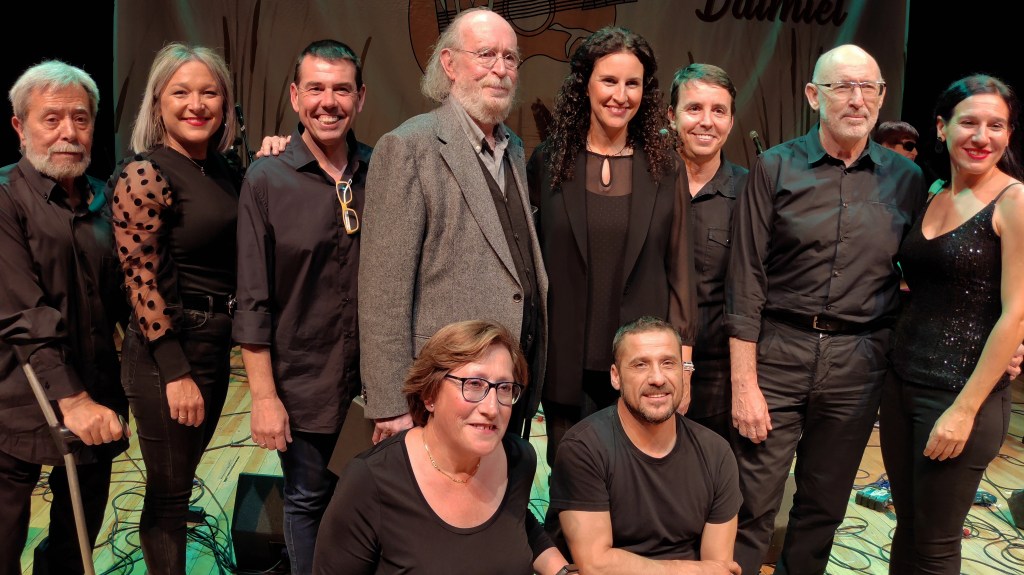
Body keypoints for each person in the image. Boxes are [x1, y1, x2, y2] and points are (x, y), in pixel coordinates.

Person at [725, 44, 929, 575]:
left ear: (882, 96)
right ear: (815, 96)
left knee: (824, 504)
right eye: (843, 87)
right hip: (778, 353)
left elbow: (930, 274)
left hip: (859, 360)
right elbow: (745, 279)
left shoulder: (907, 180)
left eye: (868, 88)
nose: (857, 99)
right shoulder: (774, 167)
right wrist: (745, 384)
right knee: (751, 501)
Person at [359, 7, 547, 444]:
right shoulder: (409, 147)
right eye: (485, 54)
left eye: (510, 58)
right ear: (449, 63)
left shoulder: (513, 148)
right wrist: (390, 404)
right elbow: (382, 292)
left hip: (504, 386)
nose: (500, 69)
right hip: (441, 391)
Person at [527, 26, 696, 465]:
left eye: (632, 83)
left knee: (633, 479)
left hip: (640, 367)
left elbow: (680, 270)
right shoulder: (548, 161)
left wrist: (683, 365)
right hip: (565, 363)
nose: (621, 96)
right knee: (571, 476)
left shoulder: (665, 168)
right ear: (585, 84)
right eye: (609, 81)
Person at [233, 39, 371, 575]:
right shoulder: (266, 179)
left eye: (341, 90)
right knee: (307, 499)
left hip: (375, 383)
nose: (328, 102)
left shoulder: (381, 170)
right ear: (295, 96)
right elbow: (252, 299)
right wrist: (264, 397)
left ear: (360, 98)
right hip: (303, 381)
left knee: (369, 501)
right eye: (315, 88)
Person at [880, 74, 1024, 575]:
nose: (982, 136)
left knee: (936, 546)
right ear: (942, 128)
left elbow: (1016, 313)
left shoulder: (1014, 201)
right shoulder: (935, 190)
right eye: (969, 123)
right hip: (902, 383)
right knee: (908, 529)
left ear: (1009, 134)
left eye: (996, 125)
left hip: (960, 394)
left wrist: (964, 410)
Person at [108, 42, 240, 574]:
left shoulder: (224, 170)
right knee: (168, 498)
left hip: (214, 344)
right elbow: (140, 282)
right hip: (168, 354)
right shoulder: (144, 173)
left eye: (210, 93)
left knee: (179, 490)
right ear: (158, 102)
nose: (196, 104)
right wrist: (175, 372)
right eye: (181, 92)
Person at [0, 60, 129, 575]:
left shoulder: (105, 198)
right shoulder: (5, 198)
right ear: (20, 126)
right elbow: (23, 312)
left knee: (75, 545)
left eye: (80, 118)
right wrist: (72, 401)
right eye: (51, 119)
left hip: (97, 392)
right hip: (20, 397)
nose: (69, 133)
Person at [313, 319, 568, 574]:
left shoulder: (518, 458)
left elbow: (519, 526)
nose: (492, 408)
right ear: (430, 395)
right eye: (474, 384)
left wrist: (563, 571)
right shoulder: (371, 480)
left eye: (504, 388)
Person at [547, 316, 741, 574]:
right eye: (640, 365)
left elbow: (719, 568)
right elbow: (596, 565)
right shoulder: (582, 448)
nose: (657, 378)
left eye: (668, 363)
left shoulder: (716, 453)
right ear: (616, 376)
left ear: (683, 372)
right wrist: (690, 571)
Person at [667, 63, 748, 442]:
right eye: (694, 108)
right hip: (647, 363)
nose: (706, 121)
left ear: (731, 121)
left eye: (718, 111)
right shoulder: (647, 182)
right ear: (671, 115)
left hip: (718, 374)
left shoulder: (750, 191)